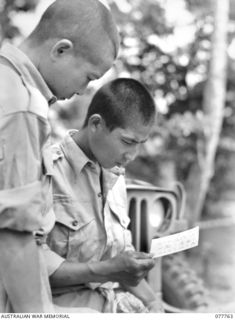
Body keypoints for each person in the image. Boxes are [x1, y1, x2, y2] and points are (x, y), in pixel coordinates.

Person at [0, 0, 119, 313]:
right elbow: (14, 233)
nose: (83, 92)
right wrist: (39, 314)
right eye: (88, 77)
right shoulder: (23, 105)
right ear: (61, 50)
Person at [46, 78, 163, 313]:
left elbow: (119, 257)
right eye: (127, 141)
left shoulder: (115, 175)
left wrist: (153, 303)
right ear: (96, 124)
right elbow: (24, 264)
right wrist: (107, 270)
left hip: (106, 304)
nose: (133, 154)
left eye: (140, 144)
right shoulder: (46, 170)